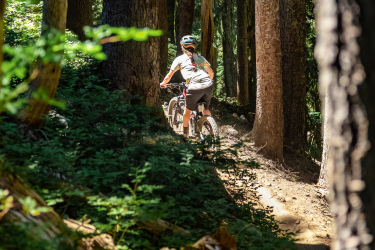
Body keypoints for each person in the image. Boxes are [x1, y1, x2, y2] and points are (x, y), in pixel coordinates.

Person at [160, 35, 214, 137]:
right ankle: (212, 132)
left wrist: (163, 83)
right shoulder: (200, 58)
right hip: (208, 86)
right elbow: (211, 73)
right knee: (206, 108)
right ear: (194, 47)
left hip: (194, 88)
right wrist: (205, 83)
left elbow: (169, 75)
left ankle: (185, 135)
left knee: (187, 111)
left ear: (182, 46)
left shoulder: (179, 59)